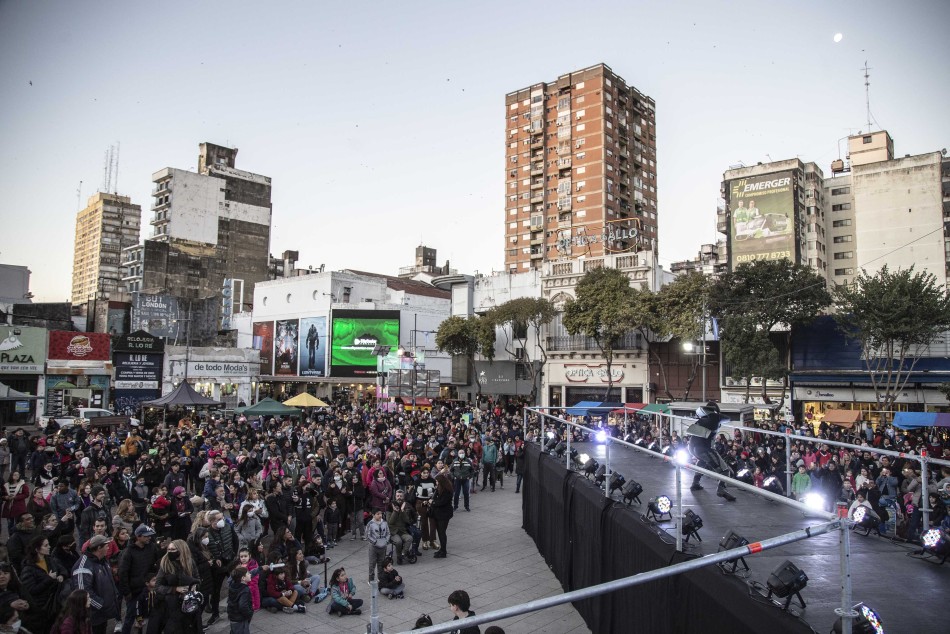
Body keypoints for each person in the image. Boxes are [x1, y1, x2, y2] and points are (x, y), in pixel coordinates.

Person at [146, 539, 200, 634]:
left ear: (181, 550)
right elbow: (157, 586)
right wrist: (174, 589)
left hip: (188, 603)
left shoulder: (190, 562)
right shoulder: (165, 563)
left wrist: (194, 585)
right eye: (169, 549)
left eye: (173, 549)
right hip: (170, 606)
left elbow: (197, 579)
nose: (170, 552)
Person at [686, 402, 736, 501]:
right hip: (704, 448)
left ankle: (695, 484)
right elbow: (728, 418)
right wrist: (718, 414)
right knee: (725, 470)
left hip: (692, 447)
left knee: (702, 461)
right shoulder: (715, 417)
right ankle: (721, 489)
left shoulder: (701, 419)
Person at [73, 535, 121, 634]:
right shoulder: (83, 566)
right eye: (106, 546)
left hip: (102, 615)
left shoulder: (102, 561)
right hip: (92, 617)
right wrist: (102, 605)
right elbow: (83, 593)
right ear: (99, 548)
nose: (108, 548)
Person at [20, 535, 67, 634]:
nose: (49, 547)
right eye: (46, 545)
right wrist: (49, 579)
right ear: (37, 549)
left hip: (55, 603)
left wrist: (62, 575)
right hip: (42, 609)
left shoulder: (49, 559)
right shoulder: (28, 569)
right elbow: (31, 590)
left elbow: (62, 569)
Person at [117, 525, 158, 634]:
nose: (149, 538)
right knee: (130, 616)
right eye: (146, 536)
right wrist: (126, 592)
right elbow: (122, 573)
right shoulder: (128, 552)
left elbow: (156, 564)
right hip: (134, 591)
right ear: (138, 537)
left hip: (147, 588)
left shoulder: (152, 547)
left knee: (143, 615)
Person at [388, 489, 416, 564]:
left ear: (403, 497)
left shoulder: (407, 506)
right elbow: (390, 522)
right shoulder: (390, 506)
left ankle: (403, 554)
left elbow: (408, 521)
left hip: (403, 531)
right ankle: (398, 556)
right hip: (394, 532)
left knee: (409, 538)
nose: (399, 497)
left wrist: (403, 511)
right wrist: (395, 511)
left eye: (401, 496)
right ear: (395, 497)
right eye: (397, 496)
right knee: (398, 542)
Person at [429, 474, 454, 559]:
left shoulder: (447, 491)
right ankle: (442, 549)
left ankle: (443, 551)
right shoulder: (439, 489)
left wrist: (432, 502)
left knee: (442, 532)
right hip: (439, 513)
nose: (436, 483)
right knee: (440, 532)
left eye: (437, 481)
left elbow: (441, 502)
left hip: (444, 514)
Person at [226, 567, 253, 634]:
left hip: (233, 616)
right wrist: (250, 613)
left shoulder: (232, 586)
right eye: (248, 573)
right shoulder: (245, 590)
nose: (250, 574)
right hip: (240, 618)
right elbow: (243, 606)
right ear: (243, 578)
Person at [366, 508, 390, 581]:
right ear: (373, 515)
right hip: (373, 547)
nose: (380, 515)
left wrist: (386, 541)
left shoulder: (385, 523)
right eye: (378, 514)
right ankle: (371, 579)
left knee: (381, 563)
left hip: (383, 546)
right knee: (372, 564)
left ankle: (380, 578)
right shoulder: (370, 524)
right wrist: (375, 542)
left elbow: (388, 533)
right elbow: (368, 535)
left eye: (381, 513)